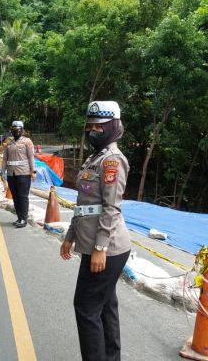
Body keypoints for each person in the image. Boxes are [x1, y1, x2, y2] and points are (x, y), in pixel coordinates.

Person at [60, 101, 132, 361]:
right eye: (90, 126)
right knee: (105, 307)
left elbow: (111, 208)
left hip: (107, 248)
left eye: (98, 127)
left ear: (112, 126)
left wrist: (100, 248)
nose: (93, 131)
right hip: (92, 244)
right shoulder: (94, 158)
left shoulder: (112, 161)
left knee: (86, 308)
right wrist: (69, 236)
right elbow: (84, 205)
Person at [0, 121, 35, 228]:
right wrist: (2, 172)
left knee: (22, 196)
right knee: (15, 196)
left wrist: (33, 171)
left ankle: (24, 219)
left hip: (23, 173)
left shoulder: (27, 142)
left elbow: (31, 157)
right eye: (14, 130)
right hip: (11, 174)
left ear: (22, 130)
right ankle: (19, 217)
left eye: (18, 130)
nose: (16, 132)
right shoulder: (9, 143)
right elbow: (5, 158)